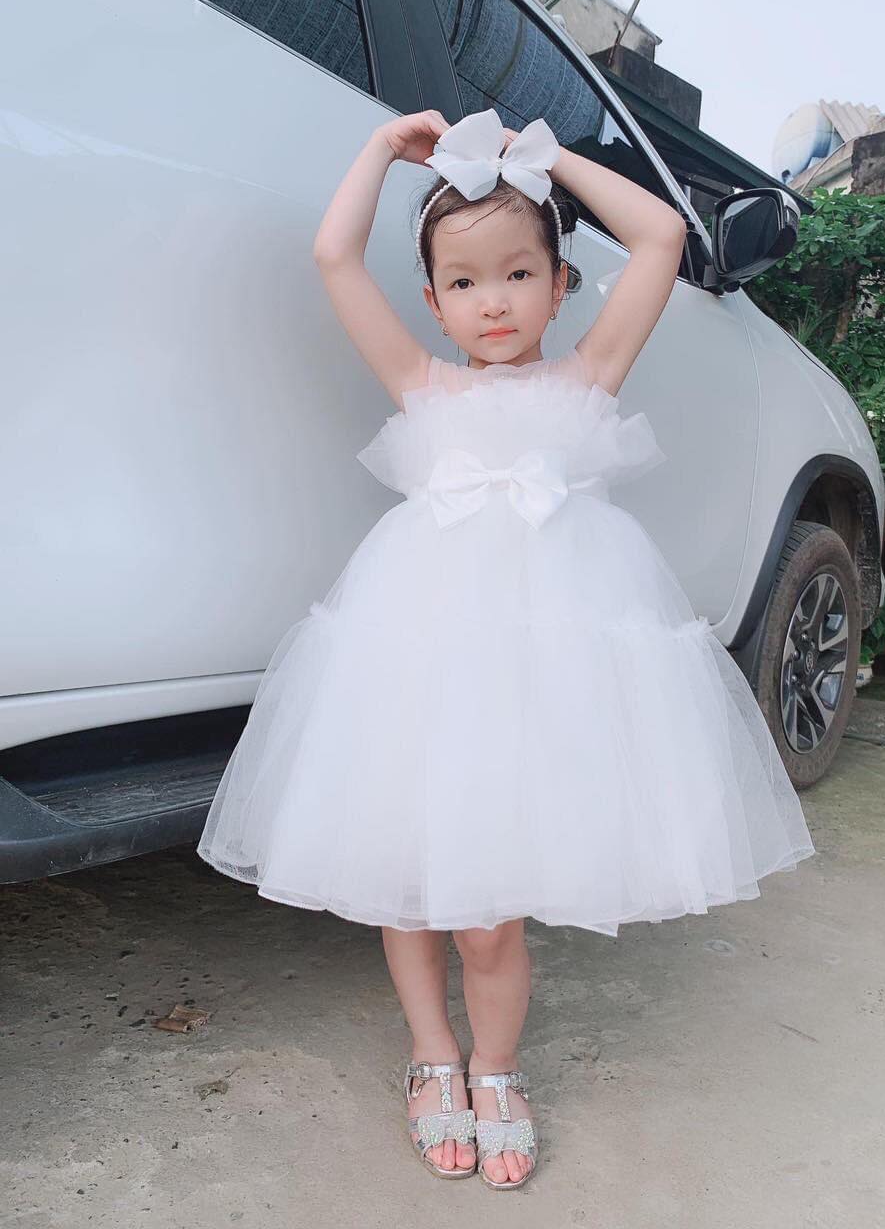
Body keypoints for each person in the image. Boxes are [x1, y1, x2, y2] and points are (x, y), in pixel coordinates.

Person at [197, 108, 816, 1190]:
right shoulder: (421, 383)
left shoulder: (587, 378)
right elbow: (335, 256)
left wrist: (542, 158)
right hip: (417, 653)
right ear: (434, 299)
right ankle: (431, 1055)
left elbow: (663, 236)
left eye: (520, 274)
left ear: (561, 284)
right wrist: (381, 152)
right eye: (466, 282)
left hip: (544, 670)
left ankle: (494, 1066)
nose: (495, 302)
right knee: (405, 879)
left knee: (491, 916)